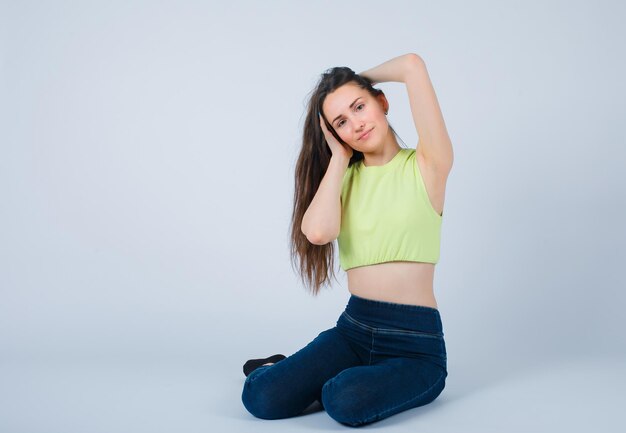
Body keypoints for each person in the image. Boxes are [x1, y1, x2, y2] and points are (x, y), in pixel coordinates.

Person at [241, 53, 454, 427]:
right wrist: (339, 158)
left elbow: (411, 66)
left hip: (414, 346)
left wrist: (356, 77)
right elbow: (318, 232)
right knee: (260, 396)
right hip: (353, 331)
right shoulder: (342, 180)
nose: (355, 123)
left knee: (343, 398)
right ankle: (288, 370)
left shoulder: (426, 165)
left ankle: (327, 379)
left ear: (382, 102)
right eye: (341, 121)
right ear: (334, 133)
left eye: (360, 106)